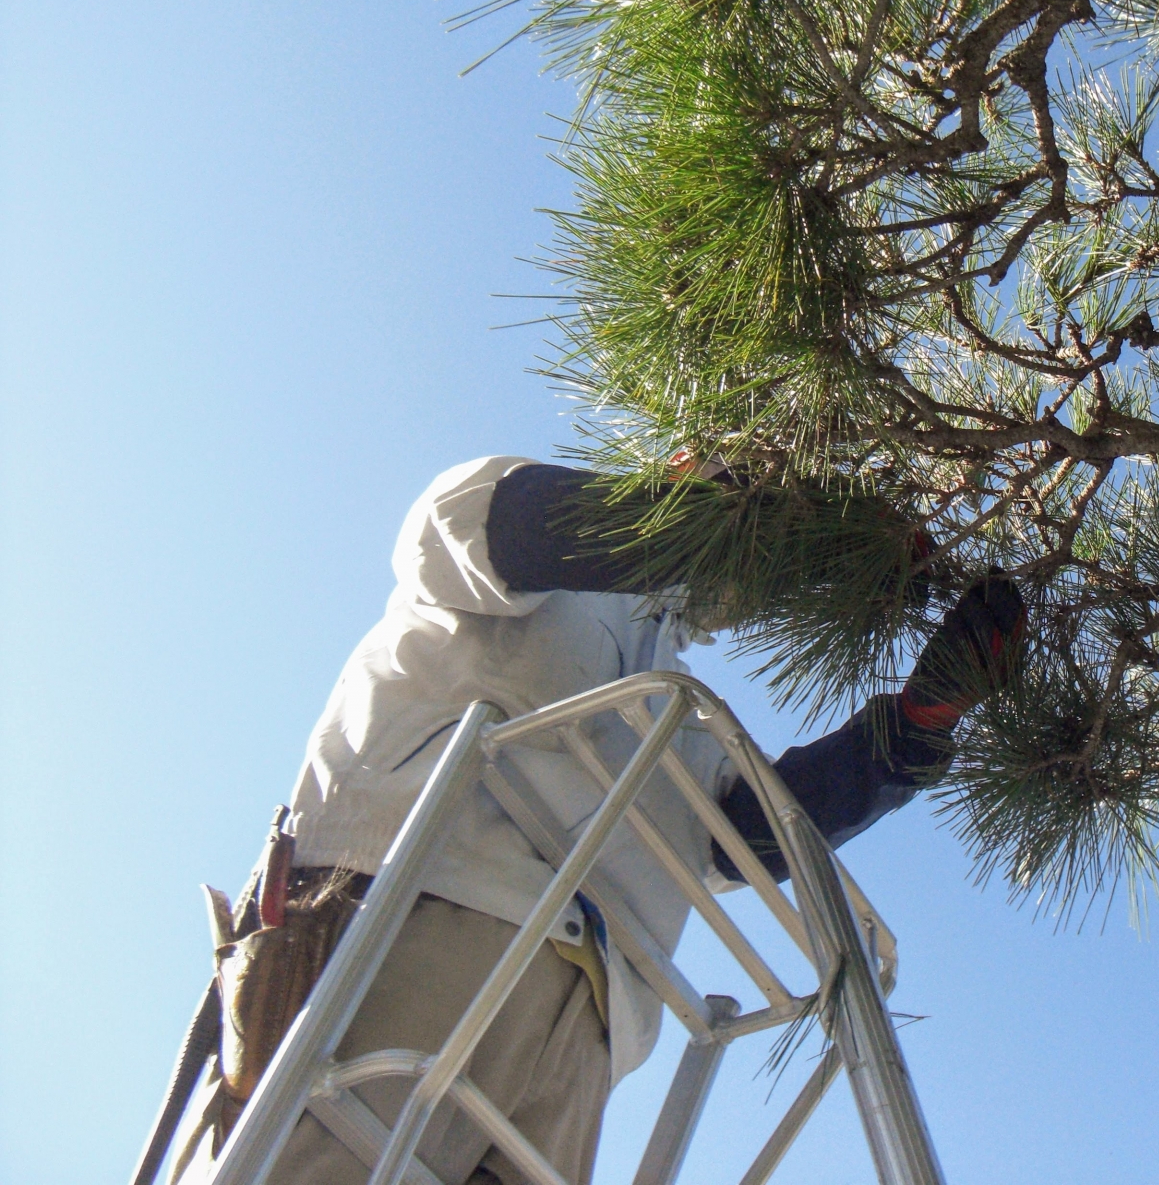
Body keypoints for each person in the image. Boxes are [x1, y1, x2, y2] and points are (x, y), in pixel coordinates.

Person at [174, 456, 1023, 1185]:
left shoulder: (678, 717)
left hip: (589, 1028)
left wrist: (917, 724)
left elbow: (753, 832)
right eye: (744, 504)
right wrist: (764, 530)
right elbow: (520, 524)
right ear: (682, 476)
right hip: (410, 929)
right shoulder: (484, 538)